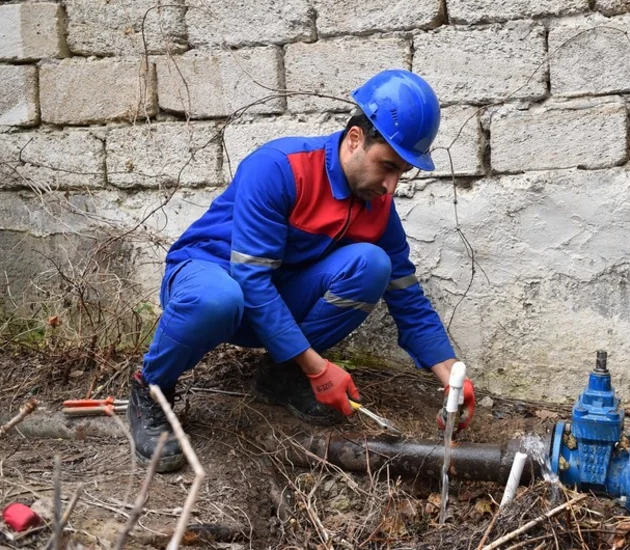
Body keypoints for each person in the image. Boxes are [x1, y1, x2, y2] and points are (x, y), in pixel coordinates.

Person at [128, 69, 477, 472]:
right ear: (355, 140)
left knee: (372, 264)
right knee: (219, 298)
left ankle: (280, 376)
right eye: (387, 166)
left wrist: (449, 373)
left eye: (402, 172)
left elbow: (405, 293)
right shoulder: (280, 167)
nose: (391, 186)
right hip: (207, 277)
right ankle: (151, 388)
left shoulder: (377, 205)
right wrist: (319, 367)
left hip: (269, 296)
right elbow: (250, 279)